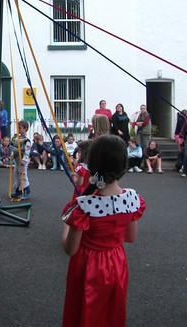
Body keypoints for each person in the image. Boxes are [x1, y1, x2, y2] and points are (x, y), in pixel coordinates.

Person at [61, 135, 145, 327]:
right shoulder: (132, 200)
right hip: (116, 262)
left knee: (84, 310)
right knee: (111, 310)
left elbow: (70, 249)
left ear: (92, 163)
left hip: (87, 265)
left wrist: (66, 227)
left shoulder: (84, 205)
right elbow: (130, 237)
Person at [10, 120, 32, 199]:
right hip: (17, 160)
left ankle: (26, 191)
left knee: (23, 176)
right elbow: (13, 148)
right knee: (16, 175)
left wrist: (24, 160)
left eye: (20, 128)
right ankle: (18, 191)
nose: (18, 129)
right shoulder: (16, 138)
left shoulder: (26, 141)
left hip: (22, 161)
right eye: (18, 128)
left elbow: (27, 152)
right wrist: (12, 155)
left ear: (25, 129)